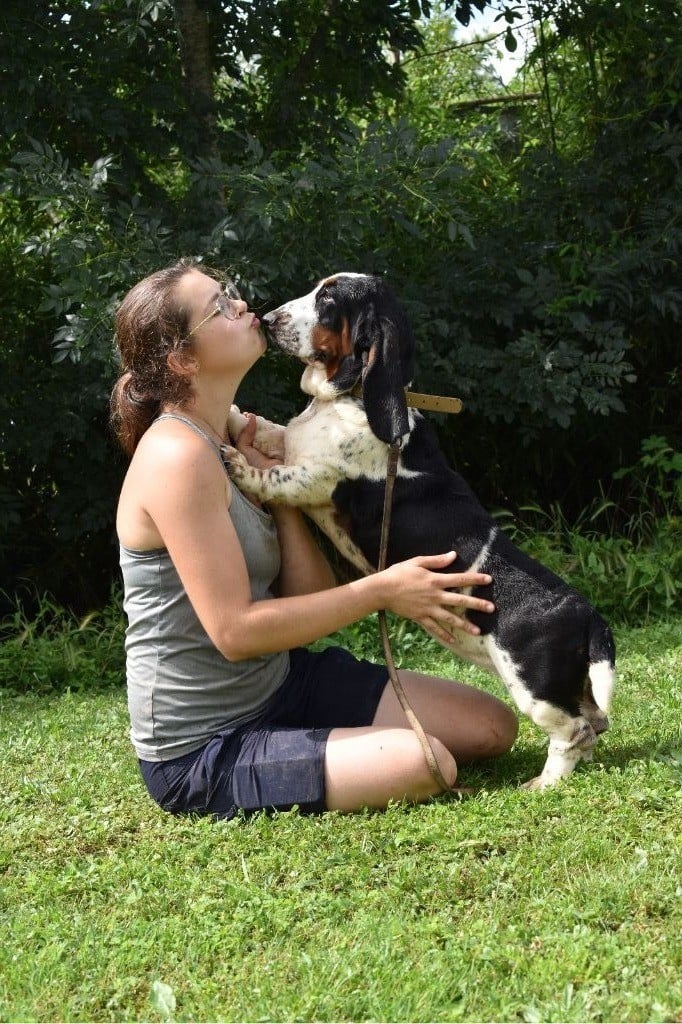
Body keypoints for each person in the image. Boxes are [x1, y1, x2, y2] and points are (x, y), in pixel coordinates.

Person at [110, 258, 518, 820]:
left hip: (283, 686)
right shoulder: (177, 457)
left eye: (230, 293)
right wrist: (383, 591)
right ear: (183, 359)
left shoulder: (227, 435)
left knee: (493, 726)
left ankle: (320, 745)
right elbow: (235, 632)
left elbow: (311, 593)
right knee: (428, 763)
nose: (241, 305)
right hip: (205, 749)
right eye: (219, 308)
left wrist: (276, 492)